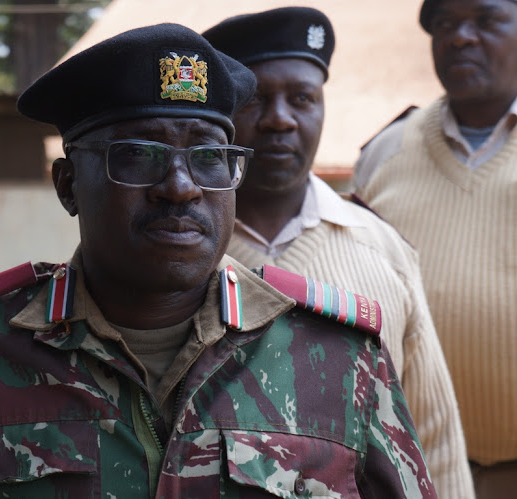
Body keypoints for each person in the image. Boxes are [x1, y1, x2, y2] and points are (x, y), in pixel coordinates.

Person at [0, 23, 435, 498]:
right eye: (139, 155)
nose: (181, 187)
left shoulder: (337, 356)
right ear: (68, 184)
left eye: (209, 156)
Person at [202, 7, 474, 498]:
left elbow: (434, 441)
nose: (281, 118)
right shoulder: (178, 255)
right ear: (220, 117)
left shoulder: (382, 249)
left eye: (302, 98)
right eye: (258, 99)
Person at [352, 0, 517, 495]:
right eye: (445, 24)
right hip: (415, 470)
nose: (461, 37)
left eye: (485, 21)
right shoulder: (386, 150)